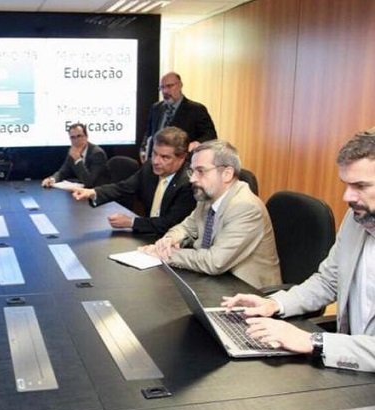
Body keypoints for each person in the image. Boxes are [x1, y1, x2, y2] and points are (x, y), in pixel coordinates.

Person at [221, 129, 375, 371]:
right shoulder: (357, 218)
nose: (347, 196)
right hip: (353, 366)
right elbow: (328, 281)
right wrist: (275, 304)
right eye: (346, 185)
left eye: (360, 185)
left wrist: (313, 341)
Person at [140, 140, 280, 289]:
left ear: (227, 174)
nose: (192, 179)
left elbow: (214, 262)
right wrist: (170, 239)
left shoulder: (246, 207)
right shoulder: (207, 197)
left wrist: (165, 254)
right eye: (192, 171)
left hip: (248, 291)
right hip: (216, 281)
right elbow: (186, 228)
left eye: (200, 171)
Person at [71, 126, 196, 236]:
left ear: (182, 157)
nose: (155, 161)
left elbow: (169, 223)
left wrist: (131, 222)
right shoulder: (149, 168)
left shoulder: (189, 183)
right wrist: (92, 192)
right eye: (154, 153)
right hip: (149, 235)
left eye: (165, 157)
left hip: (173, 242)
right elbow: (124, 187)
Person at [143, 72, 217, 157]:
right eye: (162, 87)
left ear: (180, 85)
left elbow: (210, 135)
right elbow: (149, 133)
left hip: (182, 159)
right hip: (157, 159)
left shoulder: (196, 109)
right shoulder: (156, 108)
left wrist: (196, 143)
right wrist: (143, 148)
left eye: (169, 86)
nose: (165, 91)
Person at [41, 123, 110, 188]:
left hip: (97, 191)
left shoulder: (97, 153)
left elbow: (89, 182)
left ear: (86, 137)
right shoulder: (73, 151)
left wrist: (78, 159)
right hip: (82, 190)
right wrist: (52, 179)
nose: (76, 140)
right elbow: (63, 172)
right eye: (72, 137)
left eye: (79, 136)